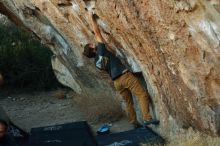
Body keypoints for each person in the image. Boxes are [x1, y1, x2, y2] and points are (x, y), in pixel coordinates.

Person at [83, 11, 159, 128]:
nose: (93, 43)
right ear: (92, 49)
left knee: (129, 102)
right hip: (125, 76)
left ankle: (133, 121)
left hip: (116, 82)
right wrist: (90, 18)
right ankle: (147, 118)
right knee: (142, 94)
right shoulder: (101, 51)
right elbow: (97, 32)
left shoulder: (97, 63)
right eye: (91, 44)